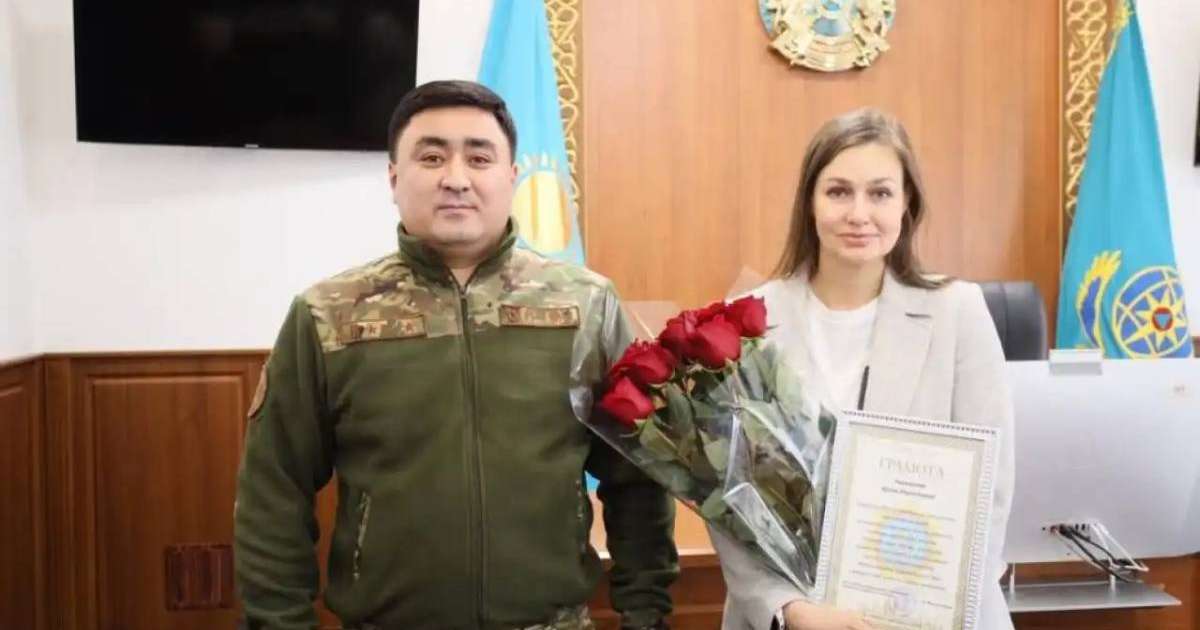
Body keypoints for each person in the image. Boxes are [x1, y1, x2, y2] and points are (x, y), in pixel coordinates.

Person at [234, 80, 678, 630]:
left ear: (511, 176)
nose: (456, 178)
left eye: (479, 156)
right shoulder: (329, 315)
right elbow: (274, 490)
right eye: (431, 156)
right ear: (394, 178)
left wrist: (646, 615)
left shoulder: (585, 304)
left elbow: (637, 478)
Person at [709, 108, 1015, 630]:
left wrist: (931, 609)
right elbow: (726, 493)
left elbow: (992, 488)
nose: (859, 213)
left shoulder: (958, 312)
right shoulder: (749, 320)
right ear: (809, 203)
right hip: (791, 617)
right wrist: (790, 610)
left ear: (907, 204)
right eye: (838, 191)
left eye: (880, 193)